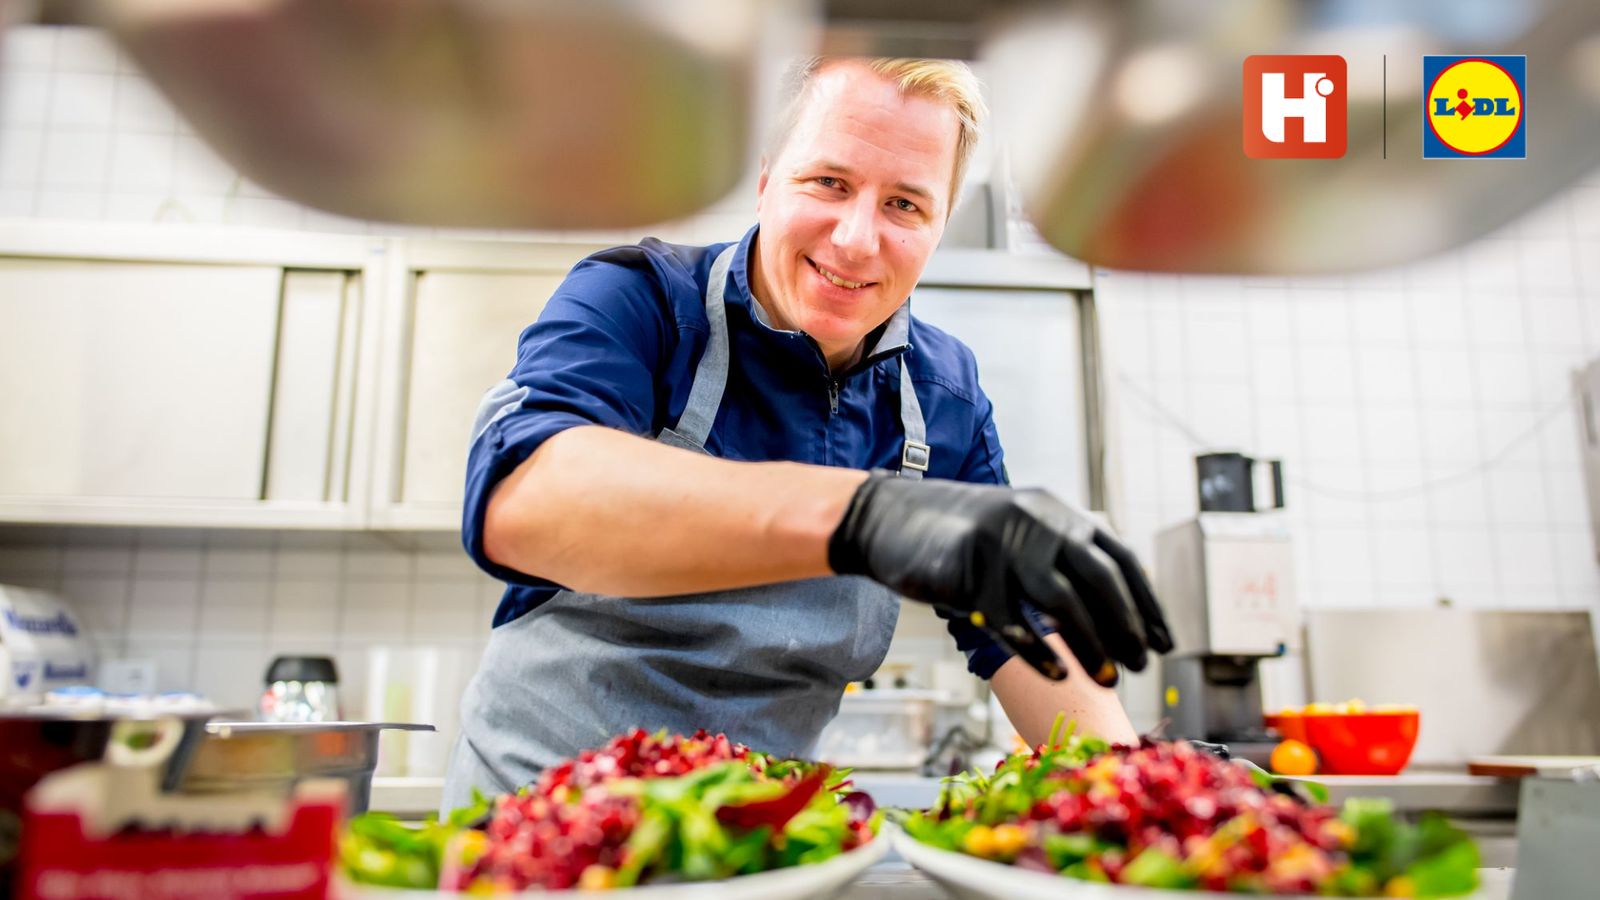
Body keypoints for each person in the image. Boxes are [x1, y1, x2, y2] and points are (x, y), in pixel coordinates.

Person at [442, 57, 1172, 811]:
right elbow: (520, 501)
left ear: (939, 225)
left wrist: (1138, 794)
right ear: (766, 178)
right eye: (829, 183)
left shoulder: (942, 394)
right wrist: (869, 516)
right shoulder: (641, 301)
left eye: (905, 205)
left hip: (757, 848)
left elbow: (1021, 631)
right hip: (542, 832)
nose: (857, 240)